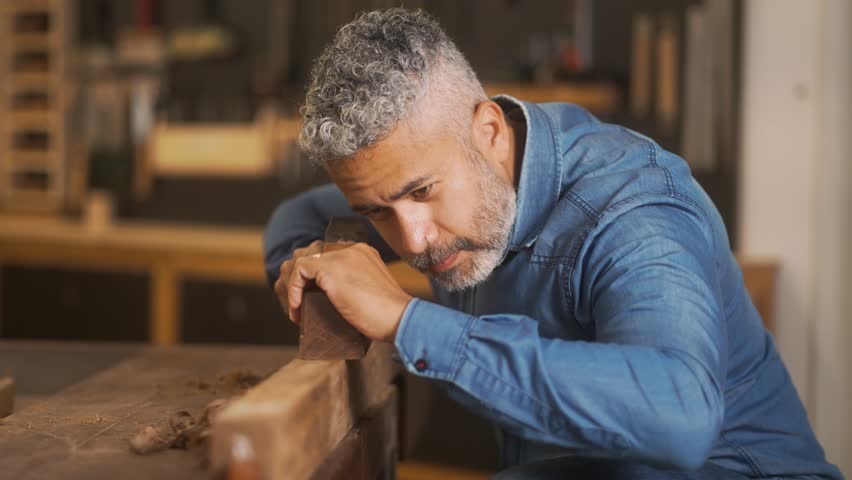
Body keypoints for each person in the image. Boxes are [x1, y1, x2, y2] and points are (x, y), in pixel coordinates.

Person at [263, 8, 841, 480]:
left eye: (421, 193)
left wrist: (406, 320)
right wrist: (304, 269)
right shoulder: (439, 178)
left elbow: (680, 417)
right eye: (376, 212)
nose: (413, 240)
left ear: (487, 132)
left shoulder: (632, 213)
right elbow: (300, 214)